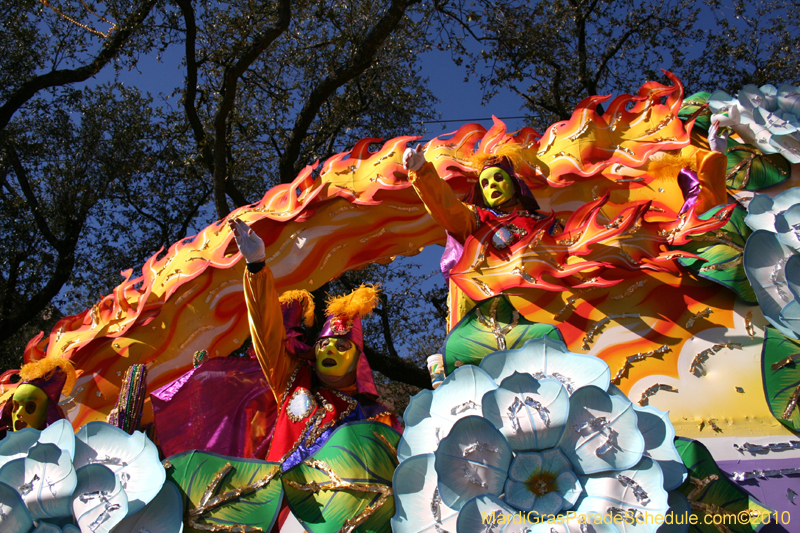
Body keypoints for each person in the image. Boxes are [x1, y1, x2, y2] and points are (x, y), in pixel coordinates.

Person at [228, 218, 398, 472]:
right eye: (324, 345)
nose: (330, 350)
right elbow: (267, 334)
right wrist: (256, 268)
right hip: (285, 503)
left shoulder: (378, 416)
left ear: (358, 361)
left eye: (341, 347)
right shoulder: (293, 380)